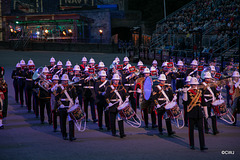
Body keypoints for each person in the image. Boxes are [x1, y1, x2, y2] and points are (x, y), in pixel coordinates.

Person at [182, 77, 208, 150]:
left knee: (201, 129)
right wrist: (184, 93)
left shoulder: (199, 92)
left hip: (199, 111)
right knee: (191, 129)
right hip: (191, 111)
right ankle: (192, 144)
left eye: (195, 84)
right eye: (193, 84)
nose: (194, 85)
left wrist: (206, 113)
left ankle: (202, 145)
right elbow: (185, 101)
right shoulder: (188, 91)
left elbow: (203, 102)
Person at [55, 74, 77, 141]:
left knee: (71, 121)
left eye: (66, 80)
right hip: (62, 106)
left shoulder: (71, 87)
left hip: (70, 106)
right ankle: (64, 135)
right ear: (62, 81)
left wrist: (76, 102)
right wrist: (60, 104)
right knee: (63, 122)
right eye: (64, 81)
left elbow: (75, 96)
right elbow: (56, 98)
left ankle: (71, 136)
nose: (65, 82)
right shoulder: (59, 88)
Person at [105, 74, 128, 138]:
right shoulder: (109, 88)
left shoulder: (121, 87)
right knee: (112, 120)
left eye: (117, 80)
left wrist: (126, 98)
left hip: (119, 105)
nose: (116, 81)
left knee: (120, 119)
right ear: (113, 80)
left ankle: (122, 133)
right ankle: (113, 132)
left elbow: (125, 94)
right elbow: (106, 97)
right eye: (115, 80)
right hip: (112, 104)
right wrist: (109, 103)